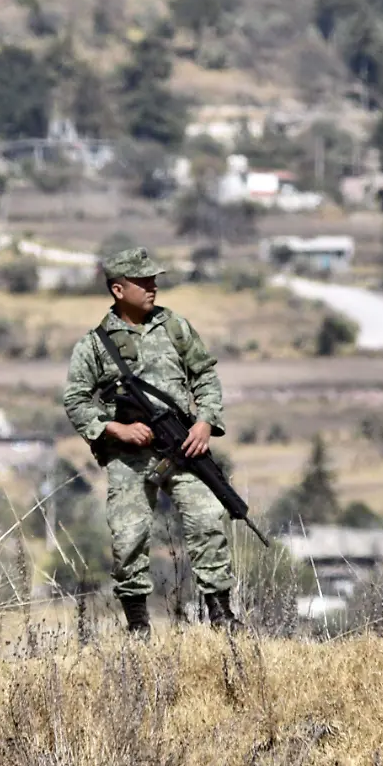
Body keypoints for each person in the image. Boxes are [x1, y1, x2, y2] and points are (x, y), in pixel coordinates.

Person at [62, 247, 236, 634]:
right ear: (119, 290)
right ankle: (139, 627)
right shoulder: (95, 344)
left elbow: (205, 376)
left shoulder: (175, 327)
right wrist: (116, 430)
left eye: (153, 279)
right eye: (143, 281)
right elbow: (75, 399)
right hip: (130, 457)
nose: (153, 286)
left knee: (208, 519)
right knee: (129, 537)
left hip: (183, 448)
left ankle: (221, 616)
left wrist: (205, 422)